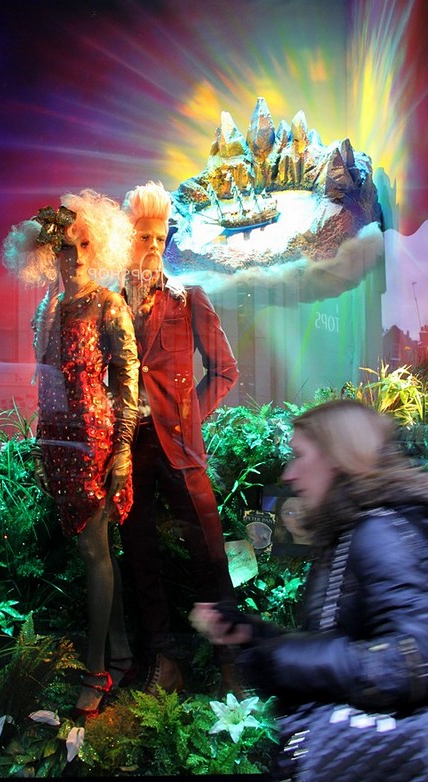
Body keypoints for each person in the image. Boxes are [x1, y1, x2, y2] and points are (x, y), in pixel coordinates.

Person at [190, 399, 428, 762]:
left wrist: (284, 659)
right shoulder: (349, 533)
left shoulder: (379, 532)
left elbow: (414, 660)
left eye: (299, 456)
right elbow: (345, 639)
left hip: (382, 765)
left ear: (337, 457)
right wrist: (254, 635)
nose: (288, 475)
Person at [2, 189, 139, 718]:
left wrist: (122, 449)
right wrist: (42, 445)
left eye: (84, 244)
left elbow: (128, 380)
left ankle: (96, 669)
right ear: (48, 252)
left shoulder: (108, 303)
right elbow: (45, 382)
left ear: (96, 247)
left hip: (95, 437)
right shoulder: (46, 309)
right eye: (64, 246)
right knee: (96, 550)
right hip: (58, 438)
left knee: (93, 549)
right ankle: (120, 654)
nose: (75, 256)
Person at [117, 180, 240, 695]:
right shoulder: (110, 304)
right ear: (125, 237)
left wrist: (190, 418)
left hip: (181, 448)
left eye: (159, 236)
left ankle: (232, 663)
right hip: (128, 451)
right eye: (142, 235)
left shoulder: (187, 298)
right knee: (140, 556)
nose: (152, 245)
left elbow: (225, 370)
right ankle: (163, 663)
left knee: (210, 555)